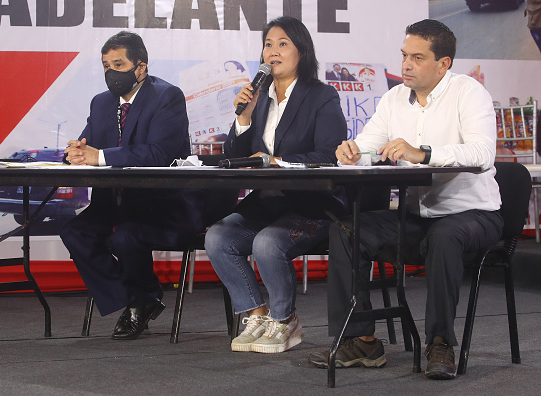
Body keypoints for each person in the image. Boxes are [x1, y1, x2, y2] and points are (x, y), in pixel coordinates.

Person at [308, 19, 503, 380]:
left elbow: (482, 153)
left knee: (443, 238)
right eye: (403, 56)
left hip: (474, 214)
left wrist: (423, 153)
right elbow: (369, 144)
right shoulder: (394, 98)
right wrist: (353, 153)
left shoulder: (468, 92)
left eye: (417, 57)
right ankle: (360, 339)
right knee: (348, 229)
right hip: (416, 216)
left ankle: (440, 342)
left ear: (443, 64)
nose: (406, 65)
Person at [205, 16, 348, 354]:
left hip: (313, 204)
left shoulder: (322, 96)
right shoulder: (260, 97)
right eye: (268, 44)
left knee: (269, 243)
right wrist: (243, 118)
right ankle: (257, 313)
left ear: (302, 51)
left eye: (283, 43)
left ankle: (285, 320)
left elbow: (329, 154)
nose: (273, 51)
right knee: (218, 237)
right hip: (267, 203)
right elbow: (235, 157)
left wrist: (277, 162)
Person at [60, 31, 204, 340]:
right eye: (105, 65)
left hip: (163, 204)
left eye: (118, 64)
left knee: (125, 237)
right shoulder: (101, 103)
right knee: (75, 232)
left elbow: (159, 153)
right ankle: (139, 297)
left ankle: (141, 300)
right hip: (114, 202)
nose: (111, 72)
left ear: (141, 68)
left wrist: (98, 156)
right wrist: (73, 153)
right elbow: (88, 144)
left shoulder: (167, 96)